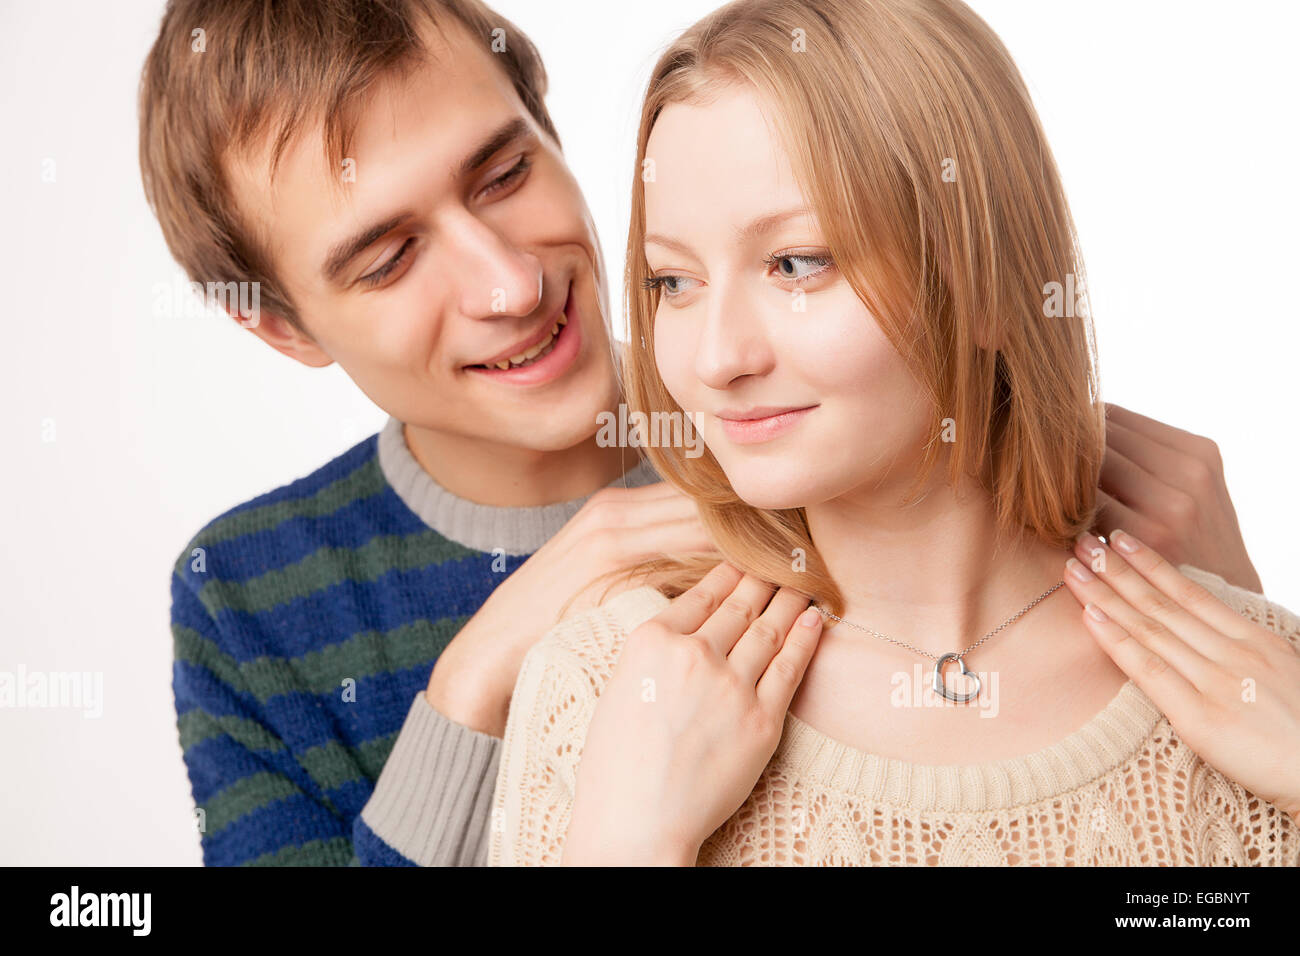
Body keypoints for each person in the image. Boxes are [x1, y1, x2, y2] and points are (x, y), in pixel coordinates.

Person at [143, 0, 1269, 866]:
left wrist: (1235, 606)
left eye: (504, 172)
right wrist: (478, 682)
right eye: (388, 258)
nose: (509, 282)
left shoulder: (836, 434)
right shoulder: (243, 597)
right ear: (285, 327)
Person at [488, 0, 1300, 866]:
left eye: (795, 265)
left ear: (987, 282)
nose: (716, 357)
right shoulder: (600, 689)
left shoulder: (1265, 685)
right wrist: (630, 844)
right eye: (672, 282)